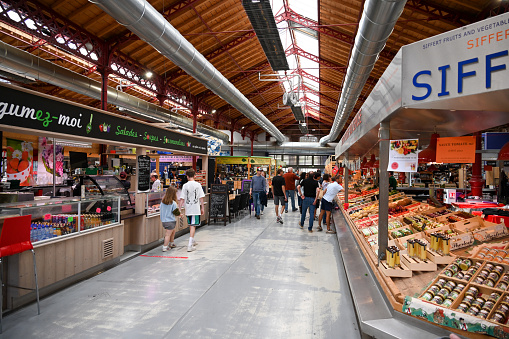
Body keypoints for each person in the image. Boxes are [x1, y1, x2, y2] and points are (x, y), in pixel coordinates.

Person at [179, 169, 205, 252]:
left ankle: (192, 240)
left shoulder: (185, 185)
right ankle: (190, 244)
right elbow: (201, 197)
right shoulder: (198, 185)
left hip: (188, 208)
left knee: (191, 224)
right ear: (195, 176)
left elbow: (181, 199)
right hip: (195, 208)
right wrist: (202, 208)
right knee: (193, 225)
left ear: (187, 176)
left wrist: (179, 209)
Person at [160, 186, 179, 251]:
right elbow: (176, 212)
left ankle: (172, 243)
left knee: (172, 231)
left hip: (164, 220)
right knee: (168, 234)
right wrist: (180, 214)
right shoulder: (173, 203)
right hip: (171, 220)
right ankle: (165, 247)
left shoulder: (162, 202)